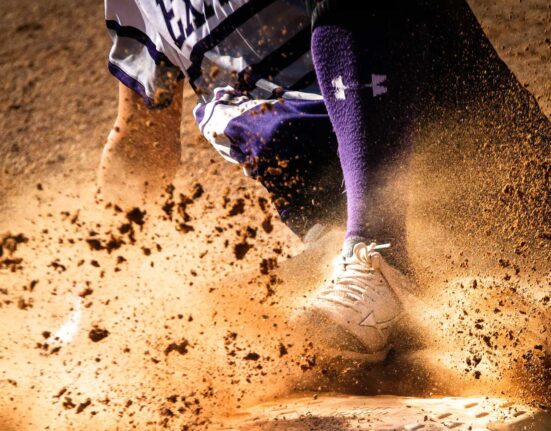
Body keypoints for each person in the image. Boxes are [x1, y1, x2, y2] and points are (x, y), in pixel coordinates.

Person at [99, 0, 540, 359]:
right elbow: (141, 141)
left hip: (482, 177)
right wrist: (105, 288)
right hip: (333, 235)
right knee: (206, 333)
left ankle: (382, 260)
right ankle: (380, 293)